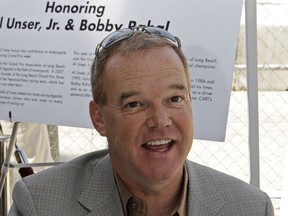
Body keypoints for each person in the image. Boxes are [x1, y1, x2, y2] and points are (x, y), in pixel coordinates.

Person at [8, 26, 274, 216]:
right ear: (99, 118)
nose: (160, 120)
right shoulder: (40, 205)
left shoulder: (250, 207)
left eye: (174, 99)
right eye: (135, 104)